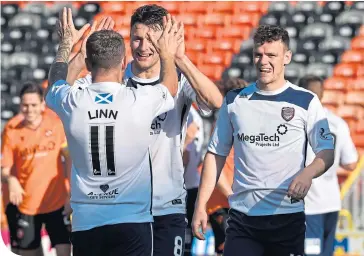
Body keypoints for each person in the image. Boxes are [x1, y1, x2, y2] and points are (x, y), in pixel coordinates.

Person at [67, 4, 223, 255]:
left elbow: (216, 102)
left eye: (151, 39)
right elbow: (64, 95)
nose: (142, 47)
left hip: (166, 207)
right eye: (136, 39)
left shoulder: (179, 79)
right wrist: (77, 53)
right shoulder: (111, 78)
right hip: (120, 211)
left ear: (164, 41)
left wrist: (179, 58)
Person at [45, 7, 182, 256]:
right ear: (123, 62)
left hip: (87, 222)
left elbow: (56, 80)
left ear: (88, 63)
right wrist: (167, 53)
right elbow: (170, 87)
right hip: (132, 221)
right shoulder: (138, 99)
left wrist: (67, 45)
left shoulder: (72, 101)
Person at [192, 24, 335, 256]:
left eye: (271, 55)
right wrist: (200, 206)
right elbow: (216, 154)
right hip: (242, 219)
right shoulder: (235, 101)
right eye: (258, 54)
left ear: (287, 57)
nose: (263, 61)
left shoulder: (306, 101)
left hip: (287, 219)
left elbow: (326, 152)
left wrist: (308, 173)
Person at [1, 82, 72, 256]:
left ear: (42, 105)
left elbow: (69, 157)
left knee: (65, 251)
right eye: (25, 105)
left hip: (57, 203)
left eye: (33, 105)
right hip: (26, 205)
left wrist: (71, 193)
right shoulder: (12, 129)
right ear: (20, 105)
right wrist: (11, 180)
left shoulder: (56, 125)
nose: (29, 109)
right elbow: (4, 168)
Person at [298, 75, 358, 256]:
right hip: (331, 203)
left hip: (309, 204)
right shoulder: (338, 123)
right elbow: (351, 163)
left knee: (310, 253)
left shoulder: (297, 122)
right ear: (322, 94)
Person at [183, 106, 204, 255]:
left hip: (181, 187)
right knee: (187, 240)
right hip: (191, 185)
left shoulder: (190, 115)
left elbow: (186, 157)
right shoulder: (196, 115)